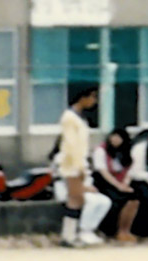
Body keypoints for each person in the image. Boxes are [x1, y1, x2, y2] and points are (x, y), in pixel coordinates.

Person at [55, 83, 107, 248]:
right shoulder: (69, 118)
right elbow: (71, 145)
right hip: (72, 164)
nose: (94, 101)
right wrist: (79, 168)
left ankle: (69, 235)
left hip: (77, 163)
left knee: (76, 199)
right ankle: (68, 236)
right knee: (75, 199)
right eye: (92, 97)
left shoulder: (78, 117)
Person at [91, 127, 141, 243]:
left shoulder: (126, 151)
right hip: (105, 181)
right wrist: (118, 186)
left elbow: (130, 170)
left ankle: (125, 230)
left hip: (122, 181)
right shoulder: (101, 150)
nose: (116, 139)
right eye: (114, 136)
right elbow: (103, 171)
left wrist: (125, 184)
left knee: (134, 197)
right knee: (116, 198)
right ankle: (112, 231)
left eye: (119, 137)